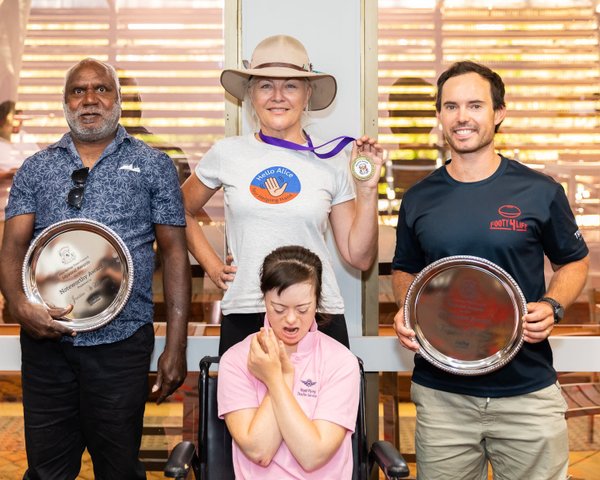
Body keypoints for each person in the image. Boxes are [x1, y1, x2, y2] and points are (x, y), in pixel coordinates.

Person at [392, 60, 589, 480]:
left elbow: (574, 261)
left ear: (498, 113)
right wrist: (406, 307)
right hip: (443, 396)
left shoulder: (540, 191)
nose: (462, 117)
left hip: (527, 393)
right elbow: (406, 270)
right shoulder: (419, 198)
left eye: (475, 105)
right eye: (451, 106)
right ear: (440, 116)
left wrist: (552, 305)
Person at [0, 58, 191, 479]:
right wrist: (18, 305)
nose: (89, 100)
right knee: (48, 472)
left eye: (101, 89)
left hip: (121, 347)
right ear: (65, 101)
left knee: (119, 470)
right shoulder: (37, 168)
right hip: (47, 346)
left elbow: (176, 254)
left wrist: (176, 347)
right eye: (78, 90)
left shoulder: (154, 165)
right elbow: (12, 246)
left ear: (119, 100)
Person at [182, 34, 383, 354]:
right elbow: (179, 209)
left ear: (307, 94)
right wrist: (212, 265)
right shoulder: (227, 153)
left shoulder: (332, 160)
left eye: (290, 85)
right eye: (265, 85)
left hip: (317, 312)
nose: (277, 96)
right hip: (247, 311)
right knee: (244, 407)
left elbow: (359, 256)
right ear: (250, 95)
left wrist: (368, 190)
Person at [218, 245, 360, 479]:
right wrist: (281, 376)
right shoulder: (235, 360)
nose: (291, 319)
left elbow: (312, 455)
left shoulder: (341, 362)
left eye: (303, 309)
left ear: (317, 302)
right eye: (279, 308)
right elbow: (259, 451)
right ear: (265, 301)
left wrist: (275, 379)